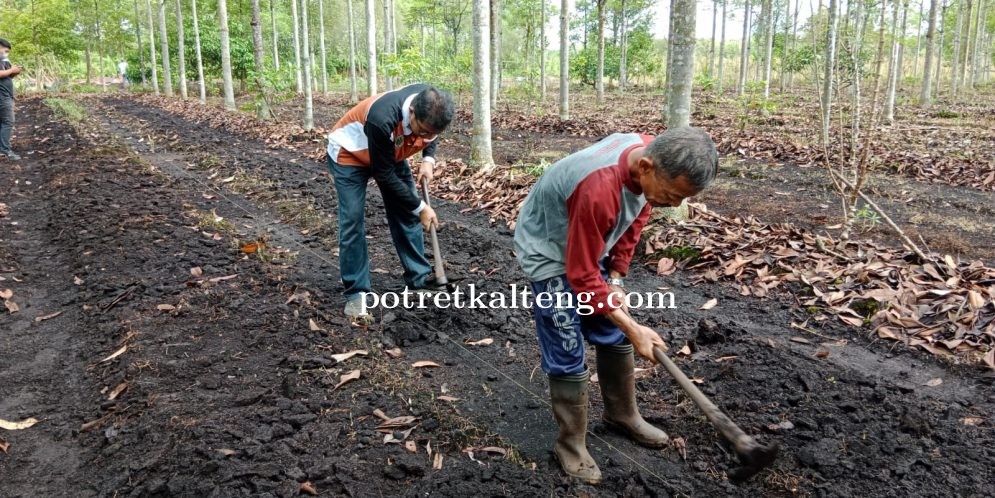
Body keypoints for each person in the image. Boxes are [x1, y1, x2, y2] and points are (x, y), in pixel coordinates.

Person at [513, 127, 719, 484]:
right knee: (567, 344)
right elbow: (579, 274)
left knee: (611, 329)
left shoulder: (647, 163)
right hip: (549, 249)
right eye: (672, 195)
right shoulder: (599, 190)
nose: (675, 205)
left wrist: (616, 278)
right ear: (646, 167)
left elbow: (635, 219)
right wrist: (634, 326)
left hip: (586, 244)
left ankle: (622, 415)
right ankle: (571, 444)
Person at [327, 83, 454, 324]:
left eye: (431, 134)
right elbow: (383, 175)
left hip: (389, 150)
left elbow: (431, 133)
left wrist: (428, 159)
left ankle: (418, 279)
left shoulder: (433, 104)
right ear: (413, 112)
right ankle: (356, 293)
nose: (426, 137)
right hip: (350, 154)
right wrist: (420, 207)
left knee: (406, 214)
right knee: (353, 219)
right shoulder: (381, 117)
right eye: (423, 131)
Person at [0, 38, 23, 161]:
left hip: (5, 95)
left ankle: (2, 150)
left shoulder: (3, 60)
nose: (6, 53)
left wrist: (14, 72)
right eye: (5, 50)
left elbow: (7, 76)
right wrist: (11, 70)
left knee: (2, 122)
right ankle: (5, 150)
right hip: (2, 96)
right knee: (8, 121)